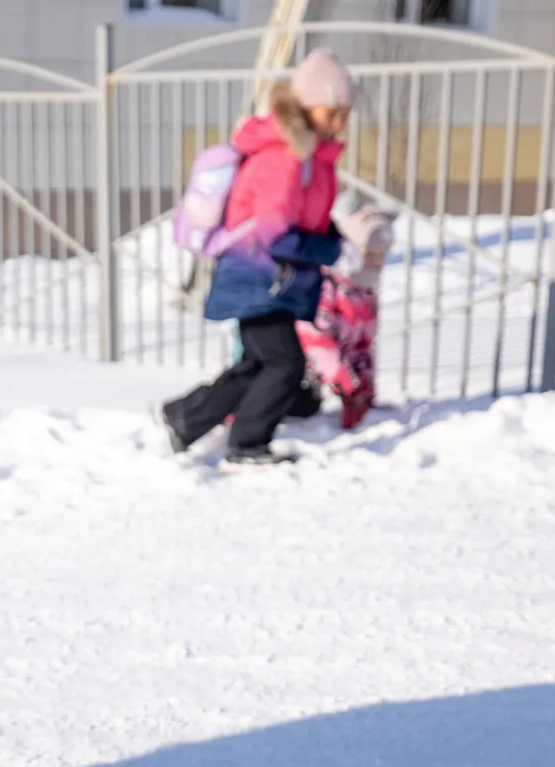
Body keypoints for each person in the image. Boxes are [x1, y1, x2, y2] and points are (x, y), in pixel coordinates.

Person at [158, 48, 353, 466]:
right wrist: (326, 248)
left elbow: (306, 218)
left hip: (271, 277)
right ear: (306, 106)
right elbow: (274, 231)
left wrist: (331, 234)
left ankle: (185, 418)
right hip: (259, 275)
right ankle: (246, 444)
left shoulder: (309, 158)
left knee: (257, 362)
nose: (339, 123)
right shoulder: (282, 158)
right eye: (331, 111)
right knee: (284, 364)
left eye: (344, 113)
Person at [298, 204, 395, 430]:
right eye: (369, 255)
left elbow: (362, 346)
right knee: (294, 406)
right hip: (297, 372)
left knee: (308, 409)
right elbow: (317, 341)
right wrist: (348, 386)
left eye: (380, 257)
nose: (375, 263)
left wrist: (365, 392)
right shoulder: (326, 287)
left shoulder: (365, 295)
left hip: (325, 379)